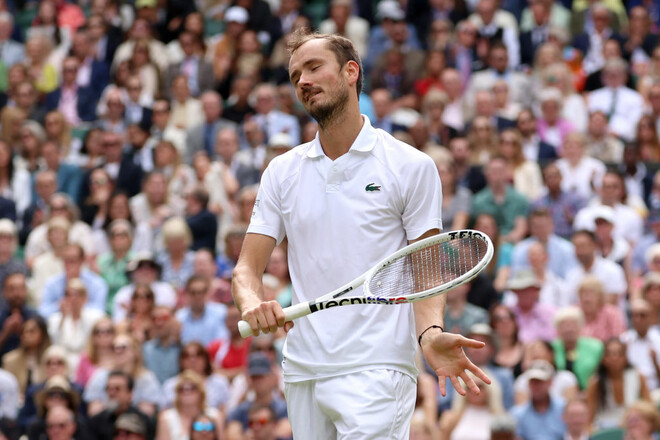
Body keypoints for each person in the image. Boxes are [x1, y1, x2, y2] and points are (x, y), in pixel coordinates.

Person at [232, 30, 490, 439]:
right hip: (304, 369)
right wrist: (251, 303)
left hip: (377, 367)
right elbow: (247, 268)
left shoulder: (410, 165)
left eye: (314, 67)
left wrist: (431, 333)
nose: (303, 80)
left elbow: (424, 266)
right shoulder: (281, 172)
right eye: (296, 73)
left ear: (351, 72)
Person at [586, 338, 651, 430]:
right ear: (604, 359)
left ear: (625, 357)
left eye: (619, 354)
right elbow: (589, 417)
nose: (615, 358)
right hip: (604, 430)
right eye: (610, 354)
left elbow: (649, 408)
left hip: (633, 427)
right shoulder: (595, 382)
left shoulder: (637, 377)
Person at [155, 370, 223, 440]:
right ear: (177, 393)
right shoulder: (167, 417)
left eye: (192, 388)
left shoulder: (215, 416)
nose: (187, 392)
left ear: (201, 392)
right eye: (182, 389)